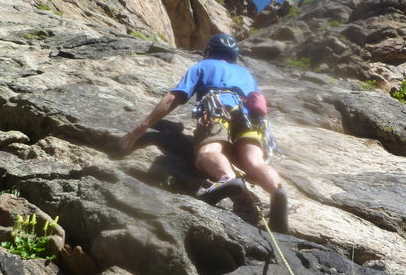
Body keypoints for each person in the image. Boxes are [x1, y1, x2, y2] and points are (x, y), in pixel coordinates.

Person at [119, 34, 288, 233]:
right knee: (255, 162)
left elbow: (175, 97)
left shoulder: (203, 66)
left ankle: (226, 177)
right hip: (250, 118)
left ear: (208, 52)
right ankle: (277, 191)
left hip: (217, 107)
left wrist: (143, 126)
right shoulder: (245, 74)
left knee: (208, 152)